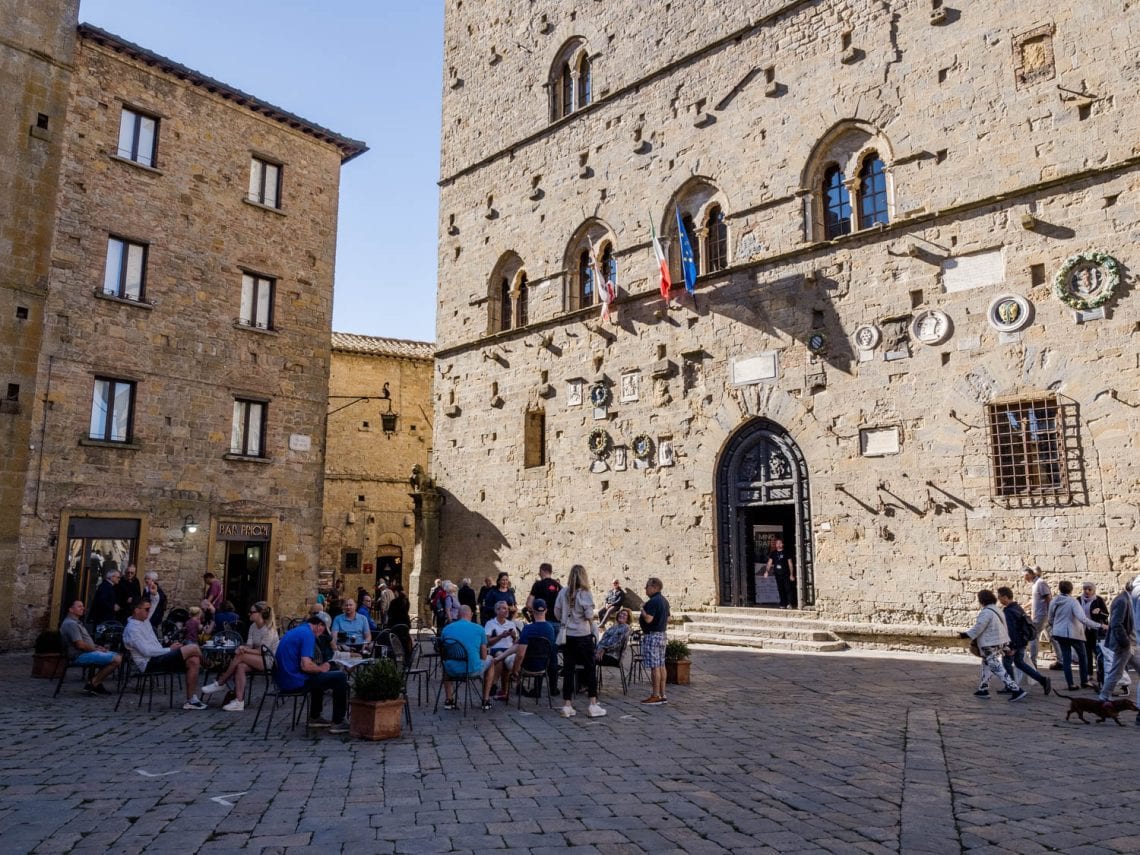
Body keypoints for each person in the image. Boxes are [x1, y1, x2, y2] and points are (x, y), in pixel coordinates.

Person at [122, 598, 207, 709]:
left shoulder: (144, 620)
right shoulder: (132, 629)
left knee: (194, 660)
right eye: (147, 609)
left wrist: (154, 593)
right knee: (194, 648)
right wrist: (169, 650)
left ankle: (191, 700)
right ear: (136, 610)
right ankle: (211, 667)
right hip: (149, 663)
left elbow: (155, 602)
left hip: (159, 656)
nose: (149, 611)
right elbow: (146, 652)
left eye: (149, 609)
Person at [201, 600, 280, 711]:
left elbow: (262, 651)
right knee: (240, 666)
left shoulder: (269, 629)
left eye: (252, 612)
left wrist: (244, 650)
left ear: (260, 613)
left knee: (241, 656)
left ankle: (221, 682)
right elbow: (249, 645)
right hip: (256, 658)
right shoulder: (253, 626)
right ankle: (239, 702)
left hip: (268, 660)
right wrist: (243, 649)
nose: (249, 614)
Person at [274, 615, 348, 732]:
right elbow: (306, 666)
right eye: (323, 630)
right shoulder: (308, 635)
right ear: (319, 626)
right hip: (294, 681)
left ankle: (315, 717)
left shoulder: (298, 630)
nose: (322, 634)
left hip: (283, 679)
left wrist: (319, 669)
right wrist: (321, 668)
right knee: (340, 677)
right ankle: (338, 722)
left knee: (319, 677)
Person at [554, 565, 605, 718]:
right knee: (589, 669)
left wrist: (566, 620)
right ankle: (593, 704)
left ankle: (567, 704)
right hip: (583, 635)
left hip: (568, 635)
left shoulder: (563, 592)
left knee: (568, 670)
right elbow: (589, 615)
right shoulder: (585, 593)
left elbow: (556, 611)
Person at [958, 590, 1027, 702]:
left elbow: (979, 627)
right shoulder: (997, 610)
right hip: (998, 641)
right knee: (987, 664)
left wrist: (965, 634)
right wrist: (1006, 644)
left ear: (982, 600)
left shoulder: (986, 612)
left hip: (989, 643)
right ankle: (983, 689)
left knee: (996, 667)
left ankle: (1016, 689)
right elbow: (1004, 626)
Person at [1097, 577, 1140, 722]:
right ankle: (1103, 698)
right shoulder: (1122, 601)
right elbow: (1116, 624)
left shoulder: (1130, 600)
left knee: (1117, 671)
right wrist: (1125, 642)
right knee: (1116, 671)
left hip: (1133, 644)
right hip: (1126, 644)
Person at [1047, 580, 1101, 690]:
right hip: (1073, 633)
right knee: (1083, 656)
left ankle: (1070, 684)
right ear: (1071, 590)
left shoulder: (1054, 601)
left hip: (1059, 633)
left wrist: (1056, 626)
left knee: (1066, 659)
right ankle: (1084, 681)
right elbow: (1083, 618)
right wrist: (1099, 625)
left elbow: (1050, 618)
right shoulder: (1073, 602)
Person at [59, 600, 122, 695]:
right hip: (79, 655)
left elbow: (84, 642)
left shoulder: (76, 622)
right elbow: (80, 644)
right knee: (116, 659)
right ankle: (93, 684)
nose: (83, 608)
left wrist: (98, 647)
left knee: (116, 655)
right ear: (71, 609)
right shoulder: (71, 624)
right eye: (79, 606)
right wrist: (96, 649)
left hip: (87, 652)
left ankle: (96, 684)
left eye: (83, 606)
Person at [439, 605, 495, 711]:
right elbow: (483, 657)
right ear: (471, 615)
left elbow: (443, 651)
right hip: (471, 669)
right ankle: (485, 700)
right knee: (491, 660)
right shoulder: (479, 629)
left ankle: (449, 699)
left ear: (458, 615)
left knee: (446, 663)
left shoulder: (447, 629)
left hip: (451, 670)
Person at [996, 588, 1050, 695]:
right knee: (1020, 663)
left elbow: (1012, 631)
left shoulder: (1009, 611)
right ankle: (1042, 680)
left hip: (1015, 643)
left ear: (1005, 597)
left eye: (999, 597)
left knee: (1007, 662)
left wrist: (1012, 647)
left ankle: (1011, 685)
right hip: (1022, 641)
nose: (999, 599)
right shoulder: (1017, 608)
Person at [507, 597, 557, 696]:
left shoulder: (527, 629)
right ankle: (548, 689)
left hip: (527, 666)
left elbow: (520, 655)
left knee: (509, 660)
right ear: (546, 610)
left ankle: (518, 685)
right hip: (544, 667)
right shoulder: (551, 629)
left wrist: (515, 670)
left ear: (532, 611)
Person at [640, 577, 670, 705]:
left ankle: (655, 695)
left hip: (652, 636)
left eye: (647, 586)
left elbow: (648, 619)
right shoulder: (664, 600)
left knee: (655, 666)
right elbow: (668, 618)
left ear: (654, 587)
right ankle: (663, 694)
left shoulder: (653, 601)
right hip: (662, 634)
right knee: (661, 665)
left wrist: (642, 609)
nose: (645, 589)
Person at [484, 600, 519, 699]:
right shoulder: (490, 623)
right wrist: (501, 636)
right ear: (497, 611)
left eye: (507, 608)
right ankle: (497, 686)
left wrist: (513, 637)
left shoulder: (511, 624)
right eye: (503, 608)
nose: (506, 610)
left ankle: (499, 688)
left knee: (507, 658)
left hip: (509, 649)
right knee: (500, 657)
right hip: (495, 648)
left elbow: (516, 642)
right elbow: (487, 642)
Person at [1023, 567, 1056, 669]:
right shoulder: (1035, 585)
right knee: (1053, 637)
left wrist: (1050, 614)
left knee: (1033, 636)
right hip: (1040, 615)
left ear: (1031, 574)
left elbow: (1048, 599)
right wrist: (1024, 607)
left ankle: (1033, 662)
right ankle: (1061, 660)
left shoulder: (1040, 583)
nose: (1025, 578)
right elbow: (1035, 600)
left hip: (1041, 615)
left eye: (1026, 576)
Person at [1077, 582, 1108, 686]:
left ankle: (1100, 676)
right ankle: (1089, 675)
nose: (1087, 591)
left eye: (1089, 589)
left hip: (1095, 631)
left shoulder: (1098, 600)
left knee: (1098, 654)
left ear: (1093, 590)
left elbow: (1106, 614)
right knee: (1086, 653)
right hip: (1082, 630)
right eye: (1085, 589)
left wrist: (1099, 611)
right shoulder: (1078, 600)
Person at [764, 538, 796, 609]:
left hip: (786, 574)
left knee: (788, 588)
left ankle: (789, 603)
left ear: (782, 544)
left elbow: (790, 564)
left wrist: (791, 574)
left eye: (780, 543)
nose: (778, 545)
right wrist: (766, 571)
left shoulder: (786, 552)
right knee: (780, 589)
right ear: (775, 545)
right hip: (778, 574)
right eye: (777, 543)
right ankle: (783, 603)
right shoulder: (773, 553)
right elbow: (769, 563)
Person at [384, 581, 412, 654]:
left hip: (395, 624)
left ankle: (395, 654)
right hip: (405, 623)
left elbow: (390, 613)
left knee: (393, 639)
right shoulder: (406, 601)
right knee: (404, 640)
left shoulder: (394, 602)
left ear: (396, 592)